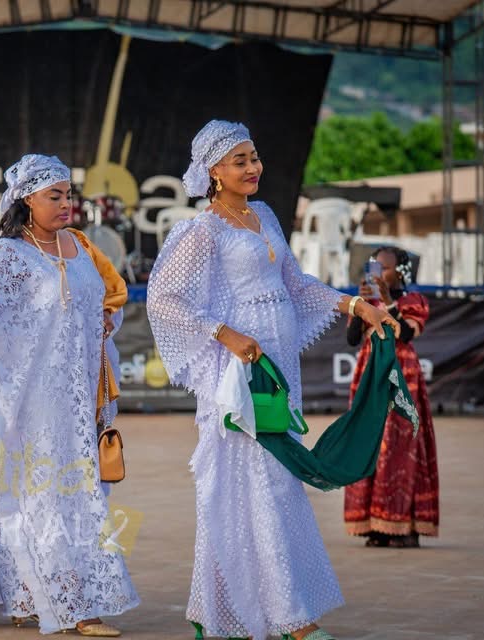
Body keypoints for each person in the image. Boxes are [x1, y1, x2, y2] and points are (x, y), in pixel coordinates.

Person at [146, 120, 399, 640]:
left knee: (273, 481)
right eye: (239, 160)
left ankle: (223, 611)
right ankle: (289, 618)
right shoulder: (202, 230)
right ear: (214, 171)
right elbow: (164, 299)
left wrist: (356, 305)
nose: (253, 167)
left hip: (279, 362)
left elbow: (295, 284)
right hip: (240, 370)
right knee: (250, 482)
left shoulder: (263, 215)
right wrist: (225, 334)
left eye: (254, 157)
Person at [0, 154, 140, 637]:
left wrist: (104, 321)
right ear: (26, 201)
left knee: (77, 492)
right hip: (31, 398)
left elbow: (104, 300)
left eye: (68, 195)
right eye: (54, 196)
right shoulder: (8, 254)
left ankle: (36, 594)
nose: (66, 204)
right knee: (43, 494)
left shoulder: (79, 245)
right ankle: (71, 605)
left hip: (78, 394)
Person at [344, 246, 439, 548]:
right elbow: (351, 339)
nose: (377, 274)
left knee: (401, 446)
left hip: (402, 377)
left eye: (383, 268)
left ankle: (404, 526)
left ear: (401, 272)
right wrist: (360, 306)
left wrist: (387, 301)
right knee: (370, 443)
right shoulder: (365, 302)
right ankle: (375, 525)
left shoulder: (414, 301)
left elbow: (406, 335)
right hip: (370, 373)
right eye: (374, 267)